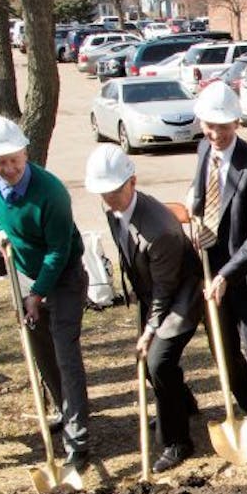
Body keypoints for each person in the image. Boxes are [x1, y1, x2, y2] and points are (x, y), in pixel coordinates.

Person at [0, 116, 91, 470]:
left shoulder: (51, 193)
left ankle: (78, 440)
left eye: (14, 159)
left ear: (25, 152)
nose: (8, 169)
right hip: (25, 271)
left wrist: (38, 293)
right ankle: (62, 407)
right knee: (38, 344)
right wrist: (0, 231)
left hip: (64, 275)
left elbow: (58, 251)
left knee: (65, 351)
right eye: (1, 162)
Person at [84, 145, 203, 473]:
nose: (108, 199)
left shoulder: (159, 229)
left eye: (114, 192)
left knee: (159, 362)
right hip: (152, 293)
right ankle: (183, 405)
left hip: (182, 296)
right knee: (153, 366)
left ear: (132, 182)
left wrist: (150, 330)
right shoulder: (113, 208)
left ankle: (178, 442)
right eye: (103, 193)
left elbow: (167, 290)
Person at [188, 82, 247, 454]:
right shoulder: (203, 150)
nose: (216, 134)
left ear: (237, 123)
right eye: (210, 126)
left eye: (223, 127)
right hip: (214, 272)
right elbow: (201, 196)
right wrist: (195, 215)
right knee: (222, 349)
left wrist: (228, 273)